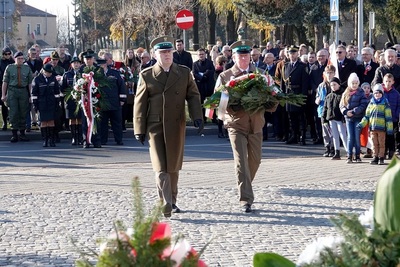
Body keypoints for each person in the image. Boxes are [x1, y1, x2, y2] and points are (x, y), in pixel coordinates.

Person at [133, 36, 203, 218]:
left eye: (169, 52)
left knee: (173, 166)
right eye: (163, 53)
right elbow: (139, 103)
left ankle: (172, 200)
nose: (167, 56)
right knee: (160, 166)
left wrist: (197, 117)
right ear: (155, 55)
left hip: (176, 123)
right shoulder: (146, 75)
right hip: (155, 125)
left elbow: (193, 96)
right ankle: (166, 202)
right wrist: (139, 128)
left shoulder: (184, 73)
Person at [214, 40, 267, 213]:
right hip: (236, 124)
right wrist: (230, 105)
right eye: (240, 55)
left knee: (255, 161)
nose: (244, 59)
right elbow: (218, 104)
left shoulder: (260, 74)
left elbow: (272, 97)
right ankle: (245, 199)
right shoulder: (226, 76)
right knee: (241, 161)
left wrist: (268, 102)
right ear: (234, 57)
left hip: (257, 124)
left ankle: (245, 185)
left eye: (246, 55)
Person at [1, 51, 33, 142]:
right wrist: (3, 95)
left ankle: (22, 133)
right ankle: (14, 134)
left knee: (23, 111)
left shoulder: (27, 68)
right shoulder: (10, 68)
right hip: (12, 91)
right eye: (18, 59)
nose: (20, 60)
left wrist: (31, 95)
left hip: (23, 91)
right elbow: (5, 82)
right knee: (13, 112)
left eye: (22, 58)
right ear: (15, 59)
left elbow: (30, 83)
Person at [357, 84, 393, 165]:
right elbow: (367, 116)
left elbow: (388, 117)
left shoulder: (385, 104)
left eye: (379, 93)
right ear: (373, 94)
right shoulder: (371, 103)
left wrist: (389, 129)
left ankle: (381, 157)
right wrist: (361, 124)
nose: (377, 95)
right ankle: (375, 157)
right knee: (374, 143)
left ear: (382, 94)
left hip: (381, 128)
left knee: (381, 143)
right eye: (376, 93)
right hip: (372, 128)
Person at [280, 45, 309, 145]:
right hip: (289, 94)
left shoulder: (302, 66)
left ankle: (302, 136)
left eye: (294, 53)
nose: (292, 55)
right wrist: (282, 94)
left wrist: (304, 96)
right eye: (290, 53)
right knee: (291, 117)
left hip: (298, 93)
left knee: (300, 117)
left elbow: (305, 82)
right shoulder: (286, 66)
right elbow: (283, 82)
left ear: (297, 54)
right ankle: (294, 135)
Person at [339, 73, 369, 163]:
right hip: (348, 118)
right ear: (349, 83)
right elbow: (342, 105)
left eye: (356, 83)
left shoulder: (361, 92)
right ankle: (349, 155)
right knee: (350, 137)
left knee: (357, 137)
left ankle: (357, 155)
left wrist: (354, 111)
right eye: (353, 83)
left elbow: (363, 104)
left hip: (357, 118)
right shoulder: (346, 93)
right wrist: (345, 112)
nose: (354, 85)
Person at [97, 57, 127, 146]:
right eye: (99, 65)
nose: (101, 66)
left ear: (106, 64)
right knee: (103, 123)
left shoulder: (115, 73)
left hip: (114, 102)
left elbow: (121, 86)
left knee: (117, 123)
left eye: (102, 64)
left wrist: (122, 99)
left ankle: (119, 140)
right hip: (102, 103)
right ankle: (103, 140)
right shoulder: (96, 75)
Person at [31, 64, 61, 147]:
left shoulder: (53, 79)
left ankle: (51, 139)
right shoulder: (37, 79)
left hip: (51, 103)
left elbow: (56, 92)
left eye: (51, 72)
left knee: (51, 122)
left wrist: (57, 103)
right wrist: (35, 105)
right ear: (43, 71)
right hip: (42, 103)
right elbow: (34, 93)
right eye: (48, 72)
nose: (49, 74)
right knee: (43, 122)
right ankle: (45, 139)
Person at [322, 77, 347, 160]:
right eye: (331, 85)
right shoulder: (329, 96)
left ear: (339, 85)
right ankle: (337, 152)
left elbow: (345, 107)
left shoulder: (342, 95)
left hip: (340, 119)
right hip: (331, 118)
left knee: (343, 135)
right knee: (334, 136)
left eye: (335, 85)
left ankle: (349, 152)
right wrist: (324, 120)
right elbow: (325, 108)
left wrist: (344, 118)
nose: (333, 86)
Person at [61, 56, 83, 145]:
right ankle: (74, 137)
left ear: (80, 64)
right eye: (74, 63)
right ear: (71, 64)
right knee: (72, 119)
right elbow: (63, 88)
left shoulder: (83, 74)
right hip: (70, 100)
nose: (76, 64)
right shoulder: (67, 74)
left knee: (80, 119)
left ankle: (80, 137)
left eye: (78, 62)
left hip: (80, 100)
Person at [315, 65, 336, 157]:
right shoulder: (321, 85)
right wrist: (317, 100)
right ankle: (327, 147)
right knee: (325, 131)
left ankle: (333, 148)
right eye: (327, 72)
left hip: (332, 111)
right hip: (323, 110)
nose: (329, 74)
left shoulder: (335, 84)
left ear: (334, 73)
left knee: (332, 130)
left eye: (331, 72)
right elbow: (317, 96)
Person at [192, 48, 215, 122]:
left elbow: (211, 72)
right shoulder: (195, 64)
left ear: (205, 55)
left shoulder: (210, 63)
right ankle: (203, 118)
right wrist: (202, 77)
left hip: (209, 85)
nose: (201, 56)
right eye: (199, 54)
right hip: (200, 85)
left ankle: (212, 117)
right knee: (201, 102)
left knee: (211, 103)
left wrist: (204, 74)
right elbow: (194, 73)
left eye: (202, 54)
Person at [381, 73, 400, 157]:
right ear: (383, 82)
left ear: (393, 82)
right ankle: (384, 151)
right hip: (383, 118)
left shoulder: (396, 93)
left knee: (391, 135)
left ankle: (391, 151)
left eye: (389, 81)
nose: (388, 83)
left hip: (393, 118)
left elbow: (398, 105)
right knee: (383, 135)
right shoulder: (381, 92)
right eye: (386, 81)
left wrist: (396, 115)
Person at [0, 47, 14, 131]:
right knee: (3, 105)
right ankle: (4, 122)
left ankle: (10, 121)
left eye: (9, 53)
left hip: (10, 86)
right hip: (1, 85)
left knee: (10, 105)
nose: (8, 55)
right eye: (6, 54)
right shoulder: (1, 62)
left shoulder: (12, 62)